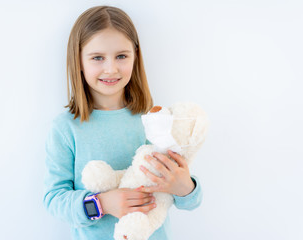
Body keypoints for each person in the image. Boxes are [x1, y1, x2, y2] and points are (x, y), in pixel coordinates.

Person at [43, 5, 203, 240]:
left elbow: (190, 200)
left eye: (121, 56)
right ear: (78, 60)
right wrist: (102, 204)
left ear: (135, 57)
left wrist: (184, 187)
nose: (111, 68)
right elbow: (54, 198)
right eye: (97, 57)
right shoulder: (66, 128)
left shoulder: (155, 119)